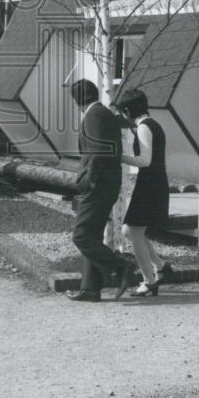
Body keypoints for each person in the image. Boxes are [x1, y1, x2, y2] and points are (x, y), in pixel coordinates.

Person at [66, 79, 133, 302]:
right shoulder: (103, 113)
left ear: (77, 100)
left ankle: (121, 266)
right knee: (92, 234)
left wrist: (87, 181)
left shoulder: (94, 115)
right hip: (106, 184)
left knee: (82, 235)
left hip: (98, 185)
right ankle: (90, 288)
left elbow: (97, 153)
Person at [114, 88, 173, 298]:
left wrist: (120, 157)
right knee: (131, 231)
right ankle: (161, 266)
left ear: (129, 110)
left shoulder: (144, 127)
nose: (123, 116)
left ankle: (149, 281)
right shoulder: (153, 124)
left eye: (123, 112)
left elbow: (145, 161)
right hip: (153, 183)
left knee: (133, 231)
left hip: (150, 184)